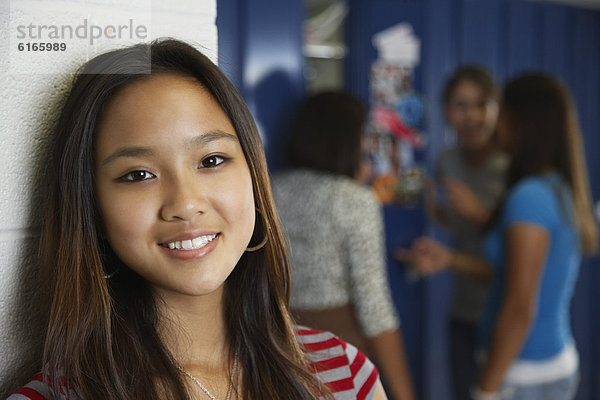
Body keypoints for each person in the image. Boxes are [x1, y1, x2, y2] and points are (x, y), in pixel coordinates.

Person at [8, 39, 389, 400]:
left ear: (254, 175)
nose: (186, 204)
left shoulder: (344, 376)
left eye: (211, 160)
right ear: (90, 206)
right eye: (138, 174)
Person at [399, 73, 598, 399]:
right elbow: (511, 275)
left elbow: (520, 307)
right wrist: (448, 255)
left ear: (520, 122)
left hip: (523, 370)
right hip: (543, 363)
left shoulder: (529, 196)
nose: (492, 122)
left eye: (498, 111)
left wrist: (486, 390)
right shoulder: (556, 186)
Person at [272, 91, 415, 400]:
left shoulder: (269, 190)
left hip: (276, 345)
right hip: (337, 353)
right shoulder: (355, 201)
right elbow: (374, 309)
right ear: (347, 140)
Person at [427, 65, 508, 400]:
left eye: (482, 105)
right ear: (447, 112)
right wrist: (439, 215)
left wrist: (480, 214)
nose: (472, 116)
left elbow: (518, 250)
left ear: (497, 110)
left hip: (505, 312)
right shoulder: (447, 161)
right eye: (461, 105)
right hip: (462, 311)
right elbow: (459, 226)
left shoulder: (512, 165)